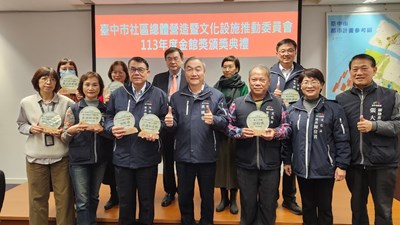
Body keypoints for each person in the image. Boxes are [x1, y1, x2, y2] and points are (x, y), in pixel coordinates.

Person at [336, 53, 400, 225]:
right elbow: (338, 132)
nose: (359, 73)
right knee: (357, 209)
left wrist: (375, 126)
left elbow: (398, 124)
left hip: (383, 164)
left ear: (374, 70)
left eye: (364, 68)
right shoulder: (341, 99)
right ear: (350, 72)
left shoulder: (391, 95)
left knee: (383, 210)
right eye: (354, 69)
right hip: (355, 164)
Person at [105, 57, 169, 225]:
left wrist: (157, 130)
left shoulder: (159, 94)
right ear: (128, 72)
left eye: (140, 69)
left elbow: (165, 121)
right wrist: (111, 127)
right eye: (132, 69)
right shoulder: (118, 94)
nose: (136, 73)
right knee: (126, 203)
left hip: (147, 157)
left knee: (147, 203)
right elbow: (108, 116)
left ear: (148, 72)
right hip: (122, 157)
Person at [165, 57, 229, 225]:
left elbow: (226, 122)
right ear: (184, 72)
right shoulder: (177, 97)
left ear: (204, 72)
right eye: (190, 69)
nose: (194, 73)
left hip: (207, 155)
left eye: (198, 69)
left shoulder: (216, 95)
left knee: (207, 197)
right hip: (183, 155)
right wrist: (170, 124)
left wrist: (214, 119)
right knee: (184, 196)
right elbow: (174, 126)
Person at [283, 68, 351, 225]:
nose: (309, 85)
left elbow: (342, 139)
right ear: (300, 86)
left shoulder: (334, 109)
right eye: (305, 82)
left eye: (314, 81)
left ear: (322, 85)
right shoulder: (292, 110)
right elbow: (287, 139)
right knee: (307, 206)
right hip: (301, 168)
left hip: (325, 169)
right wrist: (287, 160)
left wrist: (342, 165)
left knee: (325, 208)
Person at [227, 64, 290, 225]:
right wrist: (240, 133)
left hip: (270, 164)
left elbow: (287, 127)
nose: (257, 83)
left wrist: (274, 133)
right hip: (245, 163)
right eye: (254, 79)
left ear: (268, 82)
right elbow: (228, 126)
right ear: (249, 81)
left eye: (262, 79)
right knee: (247, 205)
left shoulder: (278, 103)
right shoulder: (238, 103)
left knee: (268, 206)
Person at [16, 67, 75, 225]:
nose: (48, 83)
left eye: (52, 79)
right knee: (37, 200)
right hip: (35, 158)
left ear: (57, 82)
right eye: (44, 79)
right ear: (37, 81)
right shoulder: (26, 102)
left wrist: (63, 131)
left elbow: (71, 128)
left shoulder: (67, 102)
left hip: (61, 157)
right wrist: (30, 129)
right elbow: (21, 125)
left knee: (65, 199)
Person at [61, 71, 110, 225]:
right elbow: (63, 136)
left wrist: (102, 130)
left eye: (95, 84)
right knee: (82, 200)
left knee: (94, 197)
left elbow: (114, 136)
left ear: (100, 87)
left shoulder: (107, 110)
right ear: (81, 87)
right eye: (87, 84)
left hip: (100, 160)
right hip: (79, 161)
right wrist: (71, 130)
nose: (91, 88)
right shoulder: (74, 109)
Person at [269, 38, 304, 215]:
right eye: (282, 51)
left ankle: (289, 199)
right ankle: (272, 197)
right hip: (275, 121)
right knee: (275, 161)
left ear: (295, 52)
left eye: (290, 50)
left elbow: (310, 94)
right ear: (277, 53)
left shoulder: (303, 73)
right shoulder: (270, 73)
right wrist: (271, 95)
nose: (286, 54)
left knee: (291, 160)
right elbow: (259, 94)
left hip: (296, 120)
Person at [213, 55, 248, 214]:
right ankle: (223, 198)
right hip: (220, 132)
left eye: (230, 67)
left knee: (234, 166)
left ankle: (234, 199)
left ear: (237, 69)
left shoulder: (243, 87)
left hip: (235, 131)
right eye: (224, 66)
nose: (227, 69)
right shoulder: (217, 86)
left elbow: (244, 107)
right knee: (221, 166)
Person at [152, 47, 186, 207]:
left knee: (183, 160)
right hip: (165, 125)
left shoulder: (189, 76)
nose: (172, 61)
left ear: (182, 59)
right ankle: (170, 191)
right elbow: (153, 100)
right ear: (166, 61)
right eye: (169, 59)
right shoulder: (158, 78)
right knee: (167, 160)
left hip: (185, 126)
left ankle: (184, 191)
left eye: (175, 58)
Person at [102, 60, 129, 210]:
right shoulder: (105, 90)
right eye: (114, 72)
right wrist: (105, 101)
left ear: (126, 74)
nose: (117, 75)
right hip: (110, 135)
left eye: (121, 72)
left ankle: (128, 196)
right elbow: (102, 113)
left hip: (128, 134)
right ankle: (114, 196)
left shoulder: (131, 89)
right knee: (112, 167)